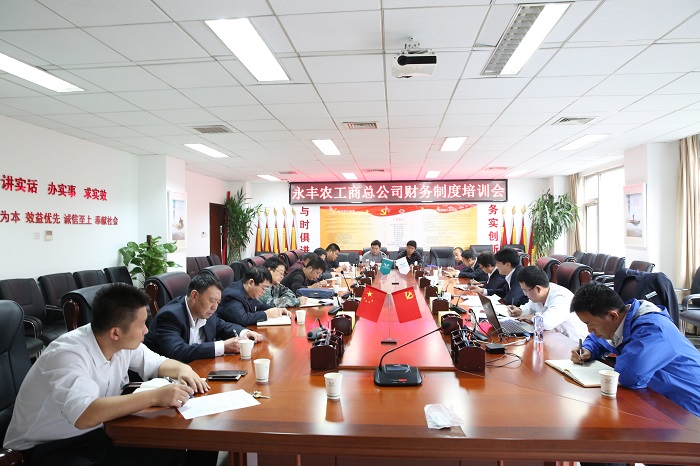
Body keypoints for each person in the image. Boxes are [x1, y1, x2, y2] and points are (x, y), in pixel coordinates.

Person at [3, 283, 213, 466]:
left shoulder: (121, 342)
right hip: (45, 447)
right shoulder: (67, 354)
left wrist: (184, 370)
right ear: (115, 332)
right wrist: (155, 396)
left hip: (95, 433)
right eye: (142, 324)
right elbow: (84, 414)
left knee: (173, 446)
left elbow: (159, 363)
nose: (146, 330)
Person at [570, 283, 700, 417]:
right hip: (657, 397)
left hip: (688, 408)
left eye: (590, 324)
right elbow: (599, 340)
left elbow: (630, 375)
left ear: (612, 316)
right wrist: (588, 349)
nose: (589, 330)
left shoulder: (653, 329)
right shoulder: (624, 320)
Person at [144, 273, 263, 363]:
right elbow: (177, 351)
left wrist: (244, 332)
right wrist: (222, 346)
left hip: (199, 367)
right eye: (211, 301)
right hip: (166, 379)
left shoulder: (206, 311)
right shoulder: (169, 316)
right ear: (194, 296)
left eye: (218, 302)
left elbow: (221, 326)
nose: (215, 307)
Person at [507, 266, 587, 341]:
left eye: (525, 291)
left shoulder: (562, 297)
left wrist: (531, 317)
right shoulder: (542, 293)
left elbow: (546, 324)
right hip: (554, 338)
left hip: (573, 343)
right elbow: (529, 307)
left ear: (538, 289)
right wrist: (520, 311)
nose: (524, 294)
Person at [218, 266, 291, 327]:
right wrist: (266, 314)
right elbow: (243, 319)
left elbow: (259, 306)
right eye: (263, 288)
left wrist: (277, 310)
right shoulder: (233, 295)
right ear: (251, 283)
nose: (264, 292)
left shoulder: (248, 291)